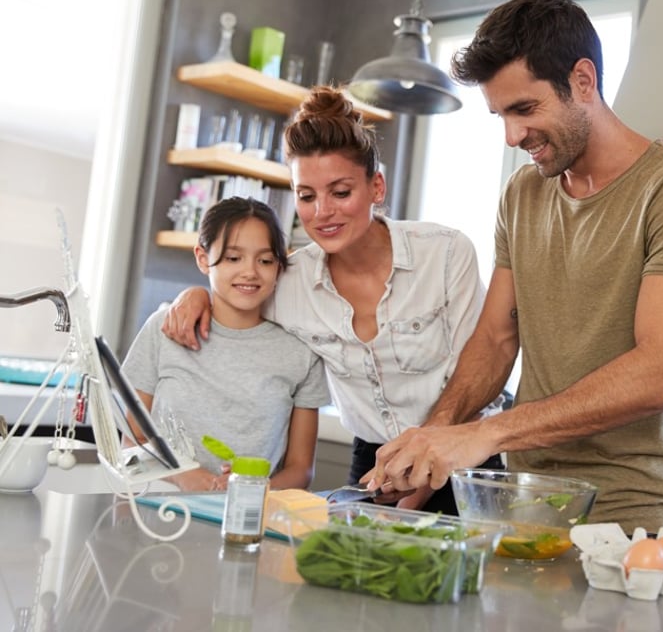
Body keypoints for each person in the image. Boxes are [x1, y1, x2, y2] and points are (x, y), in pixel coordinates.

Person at [366, 0, 663, 535]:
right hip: (528, 504)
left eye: (525, 109)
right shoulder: (523, 193)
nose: (512, 136)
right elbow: (495, 339)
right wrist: (435, 439)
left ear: (583, 81)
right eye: (501, 115)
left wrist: (487, 434)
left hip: (630, 515)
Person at [161, 87, 503, 513]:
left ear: (376, 187)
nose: (322, 212)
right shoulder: (290, 281)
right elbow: (236, 295)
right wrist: (193, 295)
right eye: (306, 196)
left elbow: (478, 371)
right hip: (373, 470)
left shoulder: (446, 254)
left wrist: (416, 490)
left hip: (464, 460)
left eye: (340, 192)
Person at [123, 197, 329, 491]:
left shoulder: (302, 352)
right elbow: (132, 446)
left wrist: (253, 489)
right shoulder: (164, 329)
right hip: (158, 517)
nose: (250, 272)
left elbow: (300, 469)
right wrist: (183, 476)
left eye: (266, 260)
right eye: (234, 258)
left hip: (247, 521)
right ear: (203, 258)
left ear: (280, 266)